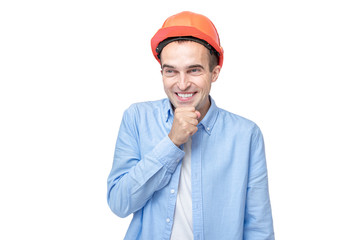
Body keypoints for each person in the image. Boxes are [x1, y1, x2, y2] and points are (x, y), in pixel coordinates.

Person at [107, 11, 274, 240]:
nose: (182, 84)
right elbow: (119, 203)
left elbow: (258, 228)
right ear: (162, 73)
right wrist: (171, 142)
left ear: (214, 73)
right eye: (171, 71)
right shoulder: (137, 118)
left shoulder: (246, 135)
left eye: (194, 70)